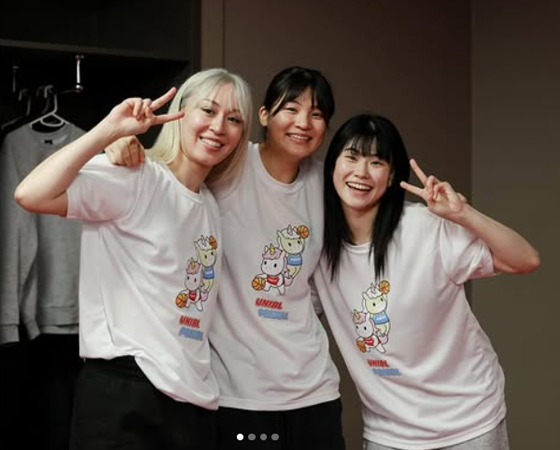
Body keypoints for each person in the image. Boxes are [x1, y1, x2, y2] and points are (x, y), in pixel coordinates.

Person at [105, 66, 346, 450]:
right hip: (237, 394)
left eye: (316, 114)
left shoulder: (328, 183)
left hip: (315, 390)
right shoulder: (229, 159)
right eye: (291, 109)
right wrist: (119, 145)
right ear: (263, 116)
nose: (303, 123)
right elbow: (171, 170)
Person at [14, 68, 253, 450]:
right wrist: (108, 133)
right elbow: (31, 194)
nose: (218, 126)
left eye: (234, 119)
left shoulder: (209, 203)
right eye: (208, 111)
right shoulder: (136, 177)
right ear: (180, 112)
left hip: (193, 401)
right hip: (125, 394)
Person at [312, 113, 541, 450]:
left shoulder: (424, 228)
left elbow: (525, 259)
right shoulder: (319, 246)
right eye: (352, 157)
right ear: (332, 165)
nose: (361, 172)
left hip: (468, 421)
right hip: (389, 431)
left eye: (376, 162)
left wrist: (463, 214)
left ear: (392, 176)